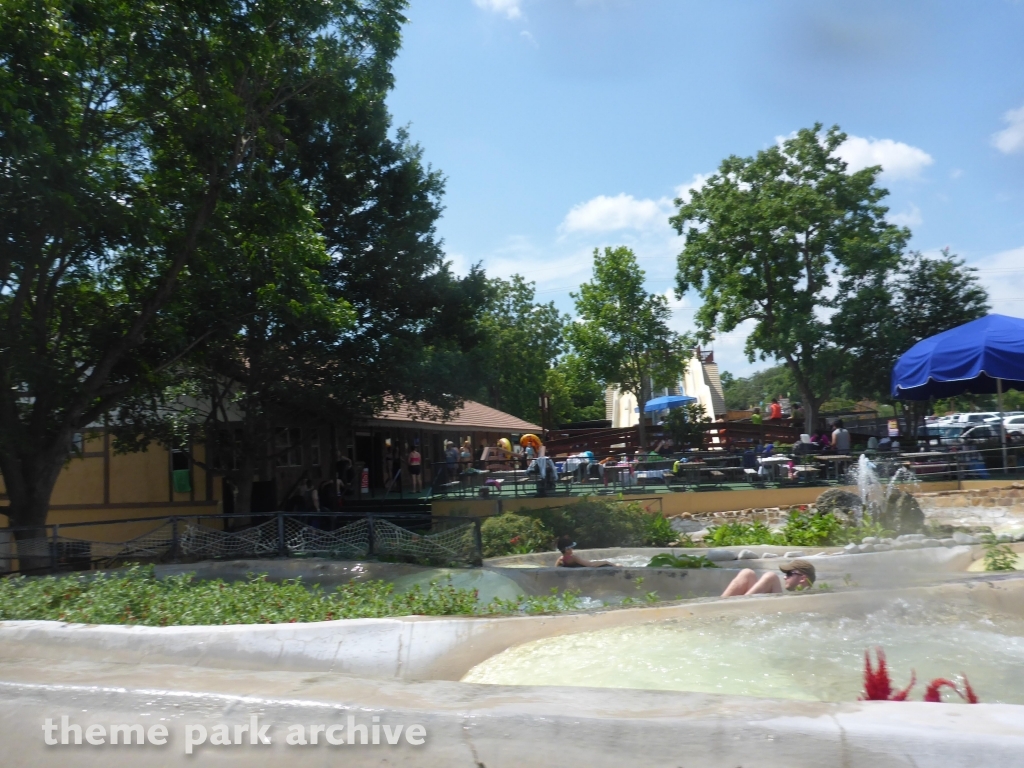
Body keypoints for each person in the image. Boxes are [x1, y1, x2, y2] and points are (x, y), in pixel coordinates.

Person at [721, 559, 816, 596]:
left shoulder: (809, 599)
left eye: (789, 573)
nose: (784, 577)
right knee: (747, 574)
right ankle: (719, 609)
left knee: (771, 577)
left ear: (803, 578)